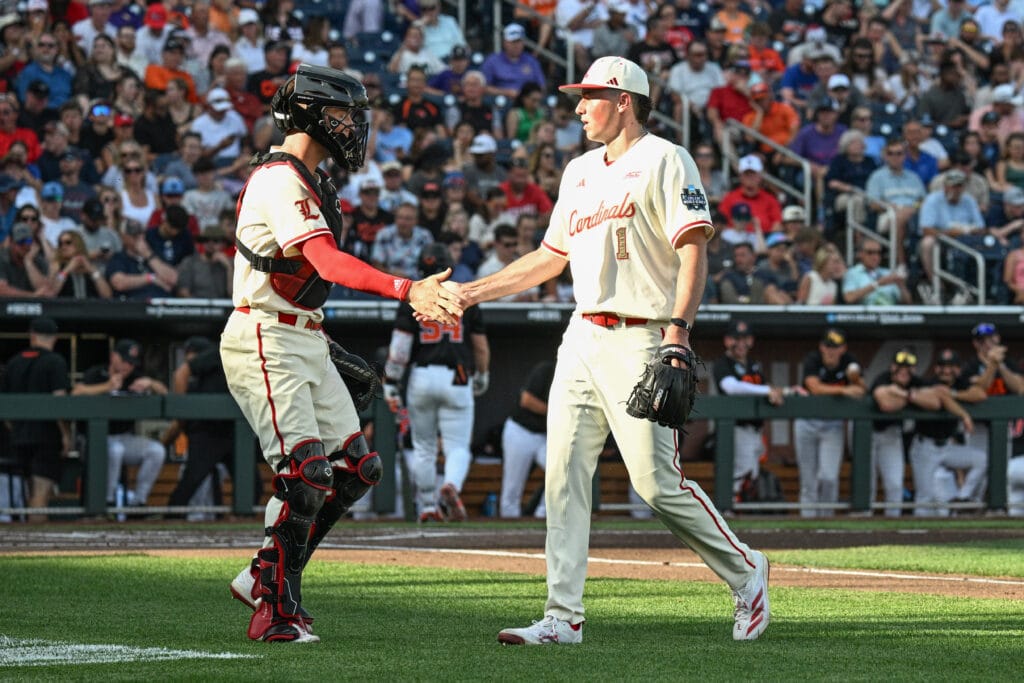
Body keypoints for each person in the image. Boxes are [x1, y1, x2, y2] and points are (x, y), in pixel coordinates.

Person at [445, 56, 770, 645]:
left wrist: (678, 331)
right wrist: (470, 293)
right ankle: (561, 616)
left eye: (589, 96)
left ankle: (747, 571)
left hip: (645, 331)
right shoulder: (578, 171)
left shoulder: (666, 158)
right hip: (582, 336)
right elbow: (549, 258)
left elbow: (694, 249)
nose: (577, 107)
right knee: (563, 473)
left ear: (623, 100)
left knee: (654, 483)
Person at [219, 64, 463, 644]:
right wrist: (409, 289)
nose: (352, 125)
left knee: (356, 468)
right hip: (265, 333)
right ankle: (271, 604)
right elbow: (325, 263)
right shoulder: (280, 177)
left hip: (302, 332)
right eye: (340, 113)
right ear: (307, 113)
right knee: (306, 475)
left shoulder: (311, 177)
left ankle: (269, 575)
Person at [383, 243, 489, 523]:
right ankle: (451, 485)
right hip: (458, 375)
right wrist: (483, 374)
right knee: (457, 446)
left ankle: (428, 505)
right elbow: (479, 346)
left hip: (421, 374)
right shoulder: (462, 295)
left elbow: (400, 347)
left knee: (424, 446)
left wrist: (391, 380)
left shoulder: (413, 297)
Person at [71, 338, 168, 512]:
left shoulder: (134, 377)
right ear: (113, 357)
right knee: (115, 450)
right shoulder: (97, 373)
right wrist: (106, 386)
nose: (126, 366)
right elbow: (76, 393)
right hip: (94, 438)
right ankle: (108, 503)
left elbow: (164, 391)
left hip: (123, 437)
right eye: (123, 361)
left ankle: (138, 503)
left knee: (156, 450)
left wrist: (151, 383)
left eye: (130, 363)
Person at [712, 320, 797, 497]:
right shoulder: (723, 363)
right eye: (737, 338)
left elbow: (767, 387)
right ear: (728, 340)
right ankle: (730, 511)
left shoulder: (753, 365)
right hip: (735, 428)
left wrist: (784, 391)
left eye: (745, 339)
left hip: (755, 429)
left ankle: (740, 512)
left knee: (752, 475)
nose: (741, 344)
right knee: (742, 472)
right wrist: (767, 390)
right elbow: (731, 387)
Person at [1, 317, 70, 523]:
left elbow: (5, 409)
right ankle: (37, 546)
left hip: (18, 439)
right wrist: (66, 434)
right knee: (40, 494)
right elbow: (60, 401)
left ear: (32, 335)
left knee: (29, 493)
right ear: (54, 338)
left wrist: (15, 429)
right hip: (46, 437)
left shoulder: (14, 361)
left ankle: (27, 543)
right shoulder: (55, 361)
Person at [794, 327, 865, 518]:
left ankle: (826, 522)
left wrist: (855, 380)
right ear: (821, 347)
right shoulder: (813, 359)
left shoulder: (850, 362)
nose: (831, 351)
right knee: (808, 480)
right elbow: (814, 387)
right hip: (807, 422)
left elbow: (862, 391)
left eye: (836, 347)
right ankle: (807, 525)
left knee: (829, 477)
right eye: (828, 346)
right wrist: (843, 391)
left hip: (832, 425)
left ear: (843, 348)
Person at [909, 348, 986, 516]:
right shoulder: (927, 384)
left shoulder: (960, 384)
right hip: (925, 446)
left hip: (947, 446)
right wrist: (964, 414)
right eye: (942, 366)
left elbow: (980, 394)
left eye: (951, 366)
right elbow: (940, 396)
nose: (946, 370)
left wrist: (954, 394)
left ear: (958, 369)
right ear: (936, 368)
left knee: (981, 459)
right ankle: (916, 536)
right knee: (925, 497)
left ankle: (962, 498)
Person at [499, 360, 554, 518]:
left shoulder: (579, 379)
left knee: (561, 471)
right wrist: (557, 411)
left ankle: (543, 515)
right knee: (512, 489)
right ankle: (509, 535)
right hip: (521, 431)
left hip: (546, 436)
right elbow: (527, 400)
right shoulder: (547, 369)